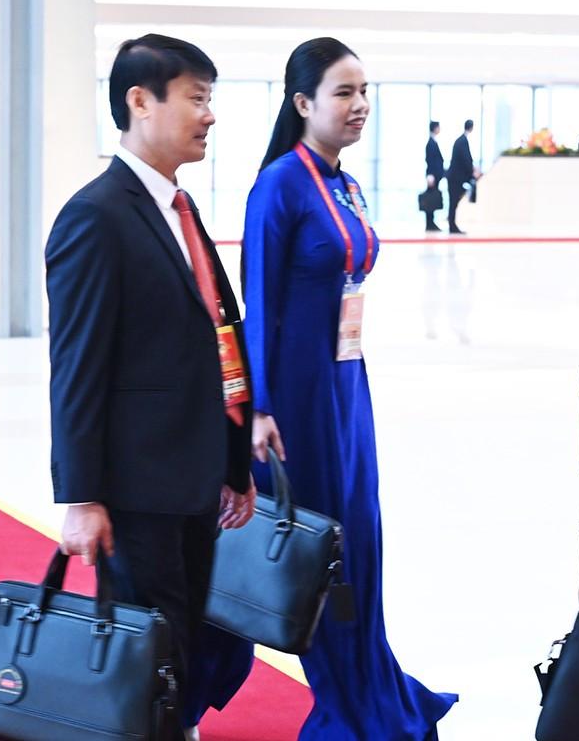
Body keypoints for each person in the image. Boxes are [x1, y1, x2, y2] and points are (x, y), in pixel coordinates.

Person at [189, 38, 457, 740]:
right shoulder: (280, 185)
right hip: (295, 398)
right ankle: (335, 702)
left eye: (365, 91)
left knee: (357, 536)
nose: (360, 104)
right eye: (344, 92)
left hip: (346, 386)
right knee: (312, 548)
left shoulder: (346, 184)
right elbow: (256, 305)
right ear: (303, 103)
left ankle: (369, 685)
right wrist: (260, 408)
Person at [47, 33, 256, 741]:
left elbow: (219, 339)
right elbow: (77, 368)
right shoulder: (96, 216)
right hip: (137, 490)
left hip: (194, 480)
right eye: (197, 98)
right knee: (150, 655)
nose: (210, 115)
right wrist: (82, 497)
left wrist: (234, 464)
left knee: (181, 648)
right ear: (140, 101)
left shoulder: (180, 210)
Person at [446, 119, 478, 235]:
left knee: (453, 202)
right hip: (455, 178)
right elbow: (466, 159)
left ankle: (452, 225)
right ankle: (452, 226)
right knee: (453, 202)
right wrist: (472, 172)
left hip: (454, 177)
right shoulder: (462, 141)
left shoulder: (461, 140)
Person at [424, 120, 444, 231]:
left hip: (435, 175)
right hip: (432, 176)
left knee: (433, 198)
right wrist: (430, 175)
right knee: (430, 199)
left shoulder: (433, 141)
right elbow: (430, 160)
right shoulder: (431, 143)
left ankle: (431, 222)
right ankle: (429, 223)